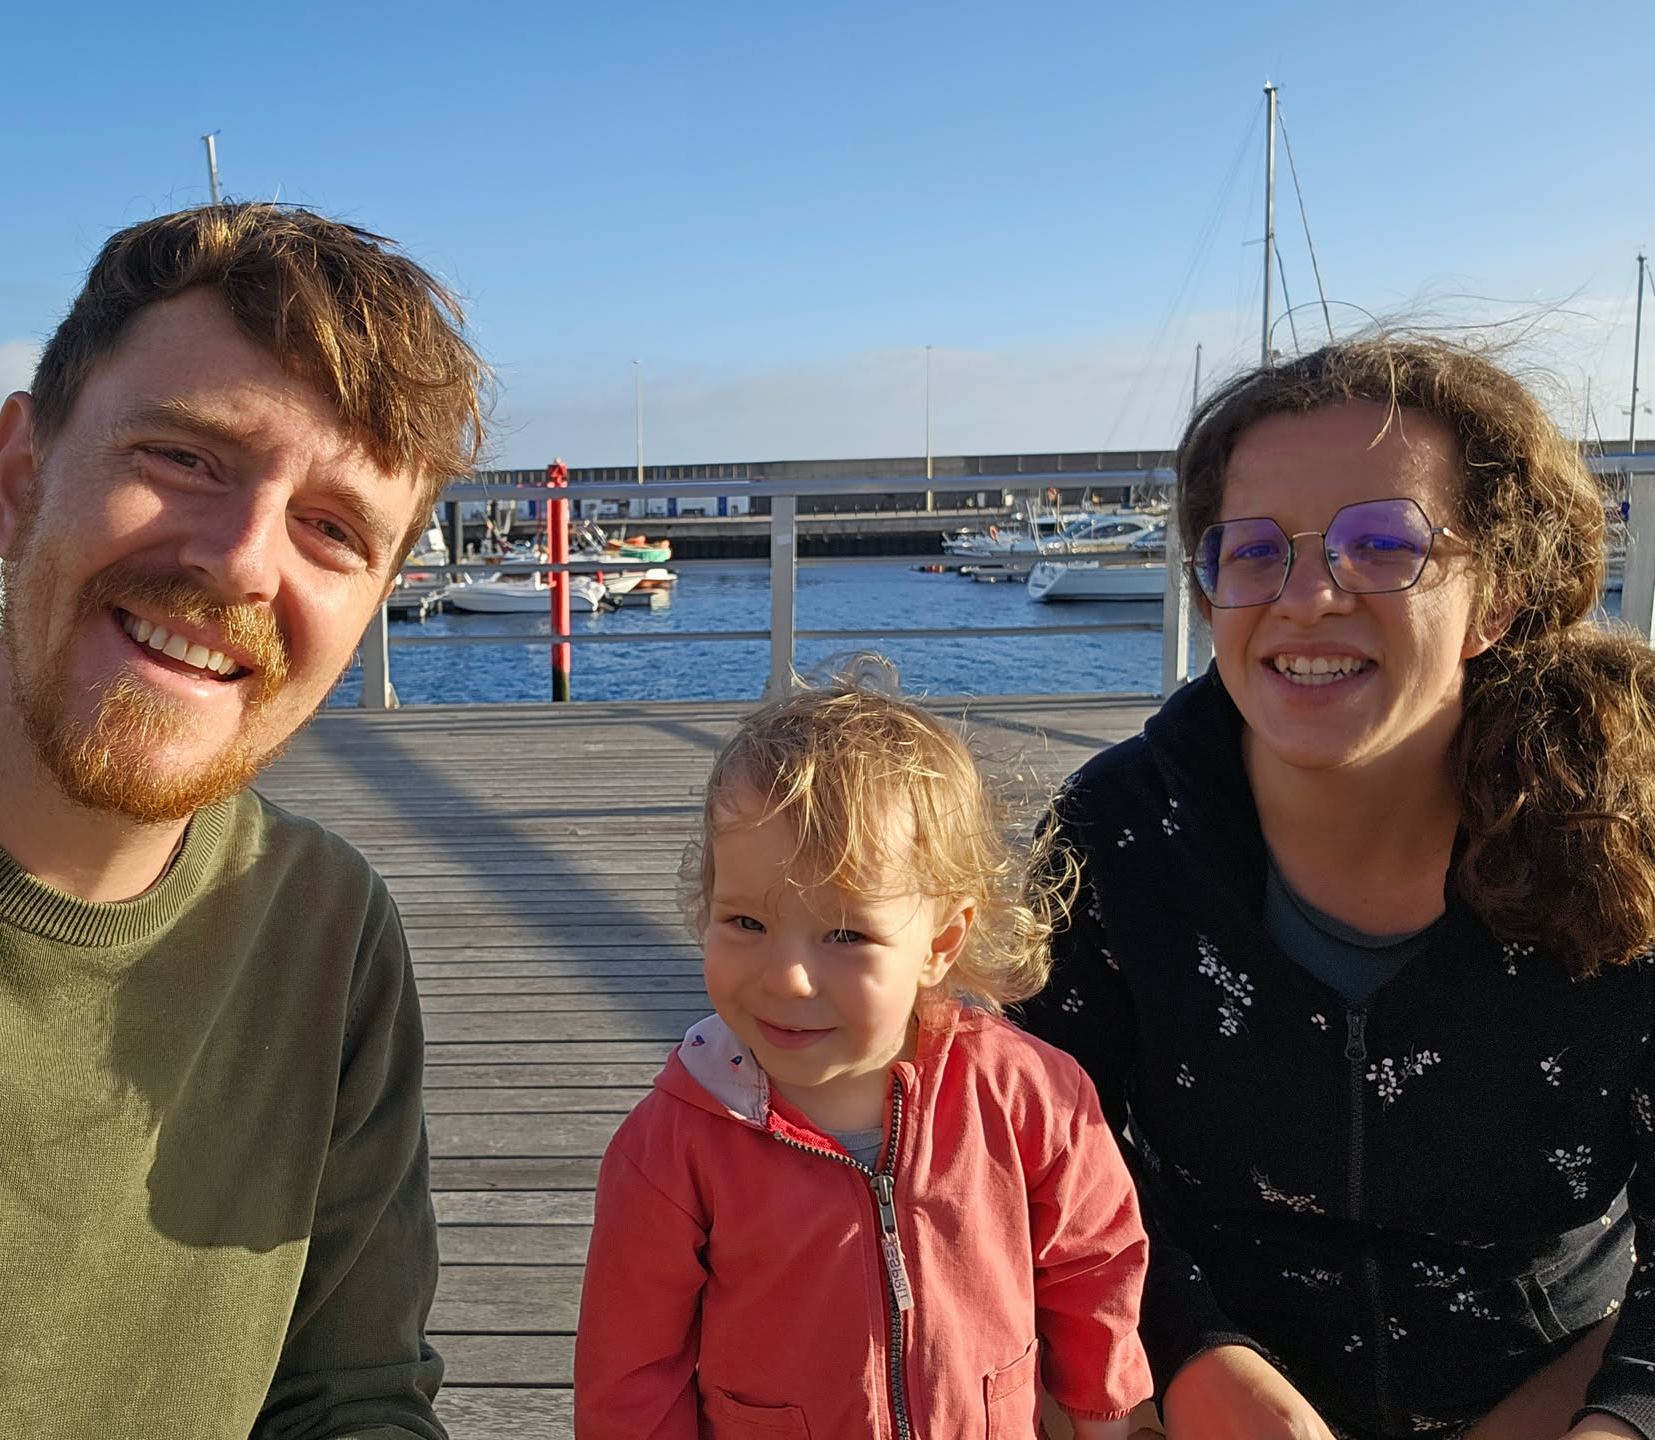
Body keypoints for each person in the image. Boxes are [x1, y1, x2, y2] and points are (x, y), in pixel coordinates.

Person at [0, 204, 487, 1437]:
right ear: (20, 481)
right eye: (184, 457)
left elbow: (348, 1398)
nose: (243, 562)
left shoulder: (327, 930)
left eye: (332, 528)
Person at [1019, 336, 1655, 1440]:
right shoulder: (1119, 835)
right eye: (1254, 552)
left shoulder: (1621, 836)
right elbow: (1036, 1147)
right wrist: (1195, 1357)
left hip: (1556, 1388)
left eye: (1382, 545)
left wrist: (1613, 1420)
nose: (1307, 597)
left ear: (1498, 596)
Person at [574, 670, 1154, 1438]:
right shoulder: (673, 1146)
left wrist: (1103, 1415)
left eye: (845, 934)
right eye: (746, 922)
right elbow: (630, 1376)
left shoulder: (1027, 1096)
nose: (786, 977)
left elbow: (1093, 1265)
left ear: (940, 942)